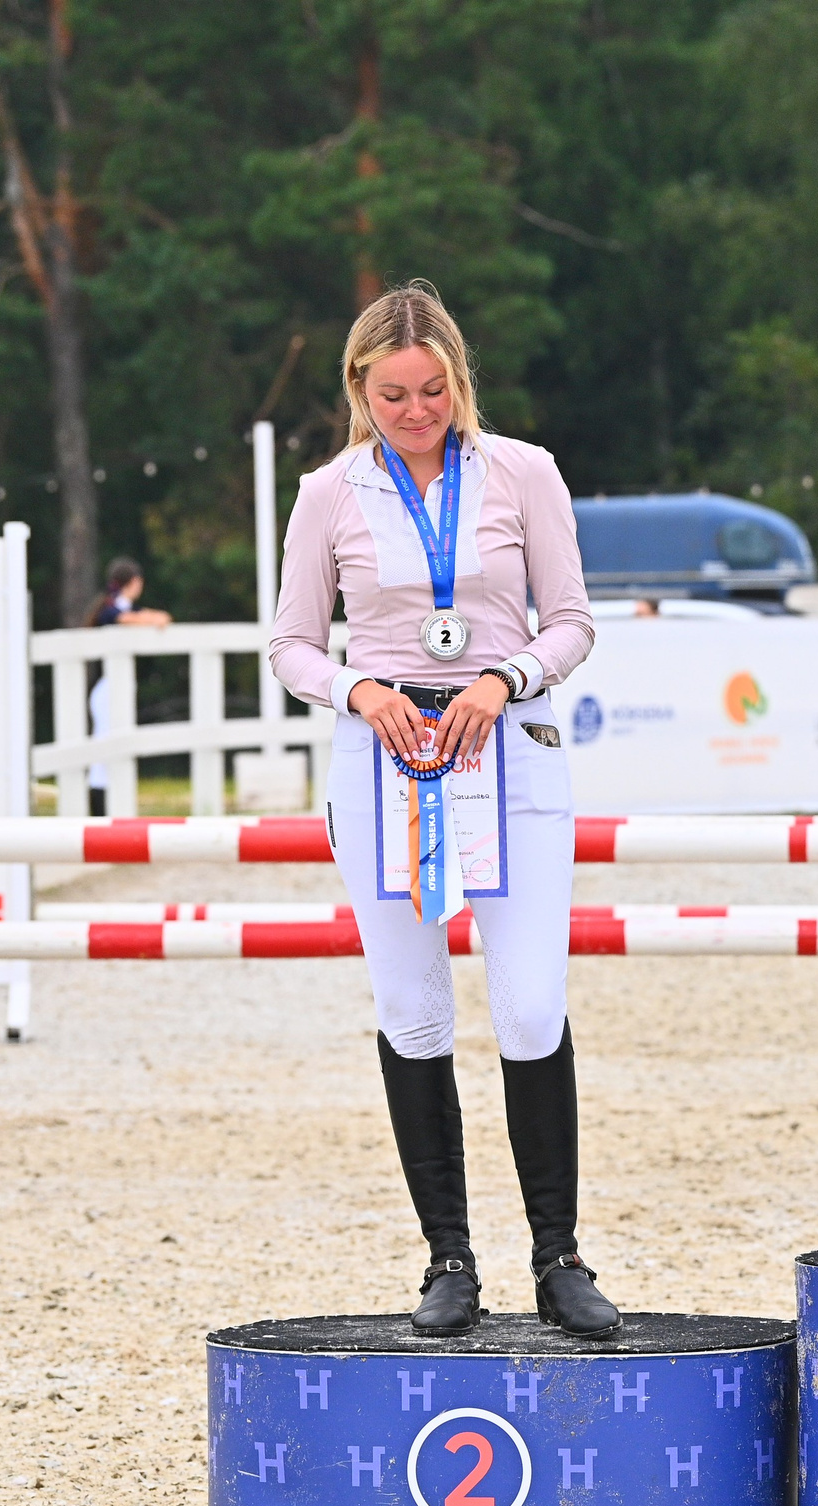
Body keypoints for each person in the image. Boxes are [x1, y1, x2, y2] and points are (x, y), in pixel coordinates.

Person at [268, 281, 619, 1339]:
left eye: (432, 390)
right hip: (383, 763)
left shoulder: (524, 473)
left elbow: (570, 622)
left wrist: (501, 680)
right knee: (413, 1012)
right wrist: (359, 689)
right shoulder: (328, 492)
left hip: (506, 750)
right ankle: (448, 1258)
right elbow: (288, 645)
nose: (415, 412)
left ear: (459, 381)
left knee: (527, 1007)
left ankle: (557, 1256)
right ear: (358, 391)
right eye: (392, 395)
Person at [84, 558, 170, 814]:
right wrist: (151, 617)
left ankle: (111, 807)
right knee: (104, 752)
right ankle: (99, 809)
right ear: (134, 582)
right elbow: (119, 618)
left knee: (112, 751)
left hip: (116, 687)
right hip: (106, 688)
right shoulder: (111, 609)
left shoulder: (122, 607)